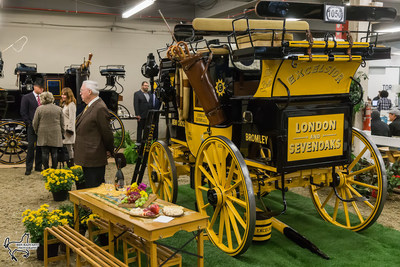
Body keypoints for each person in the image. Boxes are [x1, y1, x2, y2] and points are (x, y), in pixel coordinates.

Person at [75, 80, 114, 188]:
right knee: (90, 186)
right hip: (89, 156)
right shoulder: (90, 106)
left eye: (82, 91)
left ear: (89, 92)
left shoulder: (99, 108)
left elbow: (107, 133)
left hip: (94, 157)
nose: (80, 93)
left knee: (95, 187)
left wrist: (109, 149)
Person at [32, 92, 64, 169]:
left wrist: (36, 131)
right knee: (54, 152)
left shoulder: (39, 109)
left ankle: (46, 169)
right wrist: (62, 132)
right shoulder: (59, 109)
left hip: (42, 132)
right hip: (56, 132)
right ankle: (54, 168)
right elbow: (62, 123)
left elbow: (35, 122)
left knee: (44, 152)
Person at [20, 79, 43, 175]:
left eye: (42, 88)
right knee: (30, 147)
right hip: (31, 126)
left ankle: (38, 166)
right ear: (35, 87)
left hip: (42, 127)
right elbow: (23, 112)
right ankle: (28, 168)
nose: (42, 90)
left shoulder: (43, 97)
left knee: (40, 147)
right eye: (40, 88)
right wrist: (29, 123)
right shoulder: (27, 97)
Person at [60, 87, 77, 167]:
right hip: (64, 129)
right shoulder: (65, 104)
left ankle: (71, 165)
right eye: (62, 94)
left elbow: (72, 119)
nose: (62, 96)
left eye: (64, 95)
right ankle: (68, 164)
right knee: (67, 148)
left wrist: (70, 130)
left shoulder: (71, 105)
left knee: (69, 148)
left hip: (68, 130)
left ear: (68, 95)